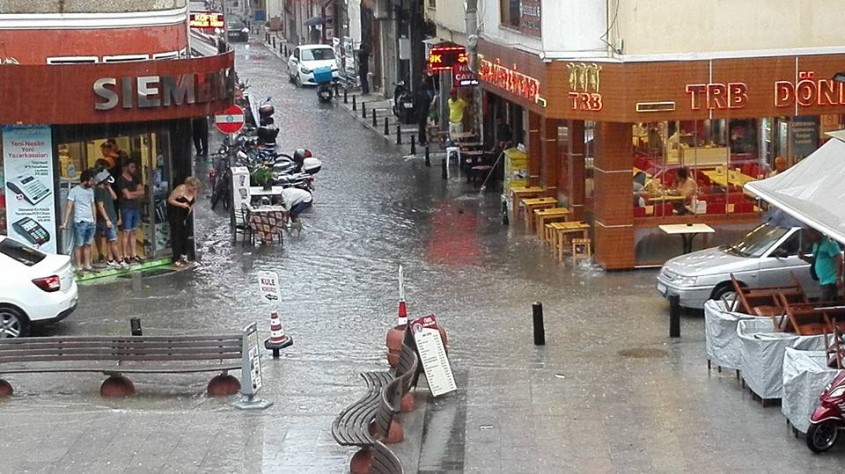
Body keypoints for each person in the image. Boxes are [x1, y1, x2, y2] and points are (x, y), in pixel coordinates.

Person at [60, 169, 97, 275]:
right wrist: (65, 222)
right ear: (86, 180)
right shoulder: (74, 191)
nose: (92, 182)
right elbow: (69, 206)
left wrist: (94, 219)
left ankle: (87, 265)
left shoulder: (90, 191)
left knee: (88, 244)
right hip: (80, 221)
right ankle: (78, 266)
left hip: (90, 221)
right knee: (79, 245)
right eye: (91, 180)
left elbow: (92, 205)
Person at [799, 228, 844, 303]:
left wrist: (838, 277)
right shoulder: (815, 245)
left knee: (825, 303)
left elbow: (839, 260)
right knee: (830, 302)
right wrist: (803, 257)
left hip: (831, 280)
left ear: (817, 232)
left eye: (811, 234)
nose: (809, 237)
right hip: (823, 280)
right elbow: (815, 261)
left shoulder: (829, 243)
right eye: (808, 234)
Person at [94, 169, 127, 269]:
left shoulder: (106, 189)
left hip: (112, 217)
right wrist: (107, 220)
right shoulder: (98, 191)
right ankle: (120, 260)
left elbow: (115, 197)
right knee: (113, 240)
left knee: (109, 240)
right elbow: (100, 206)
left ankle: (110, 259)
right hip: (107, 219)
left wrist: (109, 188)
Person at [167, 177, 199, 267]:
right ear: (188, 185)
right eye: (193, 188)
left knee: (185, 236)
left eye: (196, 188)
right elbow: (170, 199)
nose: (194, 190)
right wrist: (181, 205)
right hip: (176, 214)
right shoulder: (181, 189)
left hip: (184, 215)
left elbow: (193, 202)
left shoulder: (194, 192)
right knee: (176, 236)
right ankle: (176, 258)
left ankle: (184, 255)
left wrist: (189, 212)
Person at [117, 160, 144, 265]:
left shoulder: (136, 178)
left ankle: (133, 254)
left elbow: (142, 192)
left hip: (135, 207)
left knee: (134, 231)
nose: (134, 169)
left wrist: (131, 194)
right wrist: (134, 194)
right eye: (132, 167)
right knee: (126, 232)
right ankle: (125, 255)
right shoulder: (121, 180)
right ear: (126, 168)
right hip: (126, 208)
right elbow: (127, 196)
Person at [415, 75, 433, 146]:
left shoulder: (418, 95)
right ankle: (422, 140)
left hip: (420, 113)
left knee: (421, 127)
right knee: (422, 127)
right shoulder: (425, 96)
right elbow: (428, 103)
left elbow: (416, 103)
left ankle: (421, 140)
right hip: (423, 113)